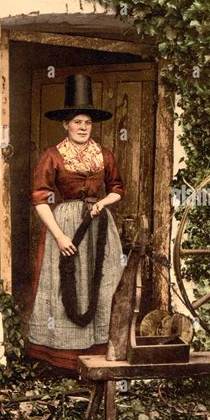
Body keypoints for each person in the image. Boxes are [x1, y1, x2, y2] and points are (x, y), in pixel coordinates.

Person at [25, 74, 125, 375]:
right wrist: (59, 236)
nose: (83, 128)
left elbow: (117, 189)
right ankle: (64, 360)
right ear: (65, 125)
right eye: (77, 122)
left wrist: (102, 204)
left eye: (87, 123)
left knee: (103, 281)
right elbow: (40, 199)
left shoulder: (103, 155)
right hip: (65, 227)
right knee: (65, 287)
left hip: (99, 228)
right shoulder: (52, 156)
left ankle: (98, 352)